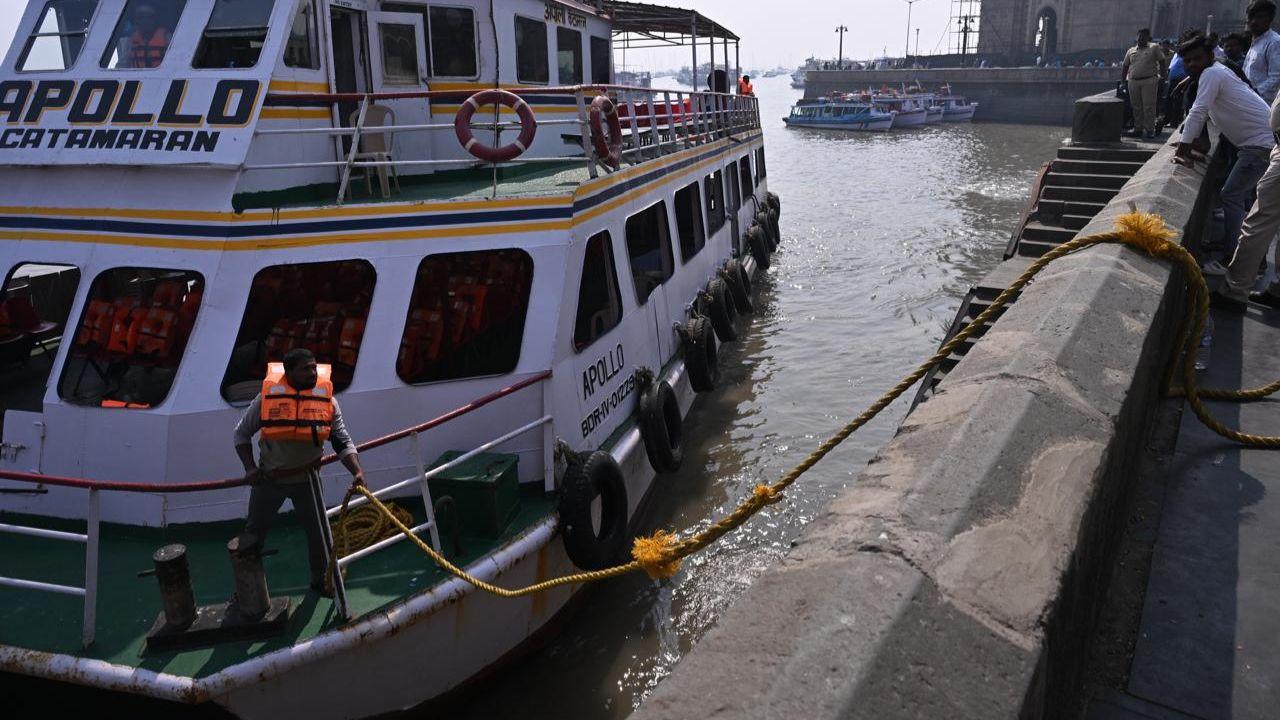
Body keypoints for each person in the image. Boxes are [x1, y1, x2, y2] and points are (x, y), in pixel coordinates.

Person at [233, 348, 366, 597]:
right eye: (305, 369)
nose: (312, 373)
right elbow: (240, 434)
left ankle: (319, 580)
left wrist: (357, 471)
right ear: (289, 372)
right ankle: (246, 590)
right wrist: (250, 468)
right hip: (270, 480)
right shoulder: (265, 400)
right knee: (253, 536)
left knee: (319, 535)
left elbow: (341, 441)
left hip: (308, 481)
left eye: (314, 367)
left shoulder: (328, 402)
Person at [1175, 34, 1276, 276]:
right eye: (1187, 61)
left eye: (1196, 59)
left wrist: (1182, 149)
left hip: (1259, 146)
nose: (1191, 64)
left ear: (1210, 56)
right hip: (1262, 143)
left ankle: (1236, 259)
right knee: (1247, 202)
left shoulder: (1212, 74)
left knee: (1231, 196)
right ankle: (1251, 257)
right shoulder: (1217, 70)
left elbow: (1198, 111)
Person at [1124, 28, 1167, 139]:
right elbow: (1125, 66)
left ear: (1148, 38)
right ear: (1136, 37)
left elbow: (1162, 61)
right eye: (1139, 36)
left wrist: (1163, 77)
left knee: (1149, 106)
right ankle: (1138, 129)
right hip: (1133, 81)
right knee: (1136, 106)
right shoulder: (1131, 50)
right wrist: (1123, 81)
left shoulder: (1154, 47)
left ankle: (1149, 130)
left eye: (1143, 36)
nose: (1141, 38)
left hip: (1149, 80)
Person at [1246, 1, 1280, 104]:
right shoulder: (1256, 43)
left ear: (1269, 20)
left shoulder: (1275, 42)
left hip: (1263, 105)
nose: (1253, 21)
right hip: (1249, 102)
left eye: (1259, 17)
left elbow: (1276, 77)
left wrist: (1254, 94)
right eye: (1251, 18)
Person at [125, 4, 170, 69]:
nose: (145, 20)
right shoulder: (130, 41)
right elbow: (122, 64)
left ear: (154, 20)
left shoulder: (167, 37)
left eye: (149, 17)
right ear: (137, 21)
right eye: (141, 17)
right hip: (137, 77)